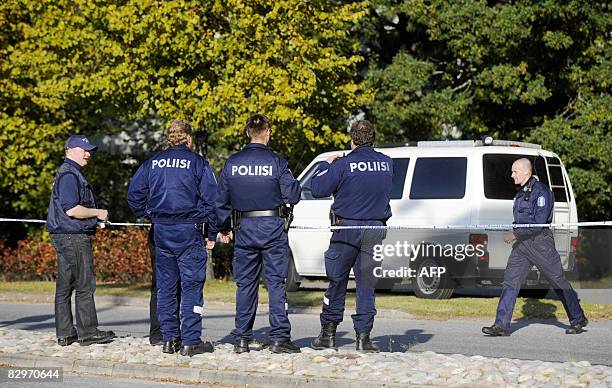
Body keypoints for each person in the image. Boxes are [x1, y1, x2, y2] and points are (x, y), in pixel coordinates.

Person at [127, 119, 218, 356]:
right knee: (191, 286)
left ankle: (169, 339)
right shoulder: (198, 163)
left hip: (162, 231)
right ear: (188, 139)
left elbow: (134, 196)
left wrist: (148, 214)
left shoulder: (152, 163)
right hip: (189, 230)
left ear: (169, 138)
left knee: (166, 287)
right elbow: (213, 201)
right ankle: (190, 341)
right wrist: (212, 232)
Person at [216, 114, 301, 354]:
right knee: (275, 283)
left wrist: (222, 227)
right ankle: (279, 338)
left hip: (243, 229)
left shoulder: (233, 163)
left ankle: (242, 337)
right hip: (273, 228)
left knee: (245, 285)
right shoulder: (277, 162)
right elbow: (292, 196)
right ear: (268, 132)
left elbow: (220, 201)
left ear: (247, 133)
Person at [310, 120, 392, 353]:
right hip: (375, 230)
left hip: (346, 229)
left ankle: (328, 334)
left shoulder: (344, 163)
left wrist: (325, 166)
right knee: (367, 285)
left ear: (352, 139)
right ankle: (364, 338)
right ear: (373, 139)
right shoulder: (386, 163)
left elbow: (318, 189)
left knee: (337, 281)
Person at [482, 158, 588, 336]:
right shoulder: (521, 192)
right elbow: (521, 220)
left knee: (557, 281)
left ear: (525, 171)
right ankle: (501, 325)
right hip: (522, 246)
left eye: (514, 171)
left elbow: (538, 224)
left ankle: (577, 319)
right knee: (510, 281)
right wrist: (516, 232)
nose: (512, 175)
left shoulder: (541, 192)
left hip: (540, 244)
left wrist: (515, 233)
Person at [46, 134, 116, 346]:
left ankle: (65, 333)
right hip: (73, 236)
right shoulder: (69, 175)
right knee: (85, 284)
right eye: (83, 149)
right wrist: (98, 213)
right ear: (69, 149)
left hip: (64, 235)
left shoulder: (69, 172)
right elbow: (72, 209)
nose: (88, 154)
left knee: (65, 285)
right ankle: (88, 332)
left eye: (89, 150)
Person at [147, 225, 180, 346]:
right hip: (161, 228)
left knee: (179, 285)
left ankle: (172, 332)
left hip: (179, 227)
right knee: (161, 284)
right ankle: (160, 333)